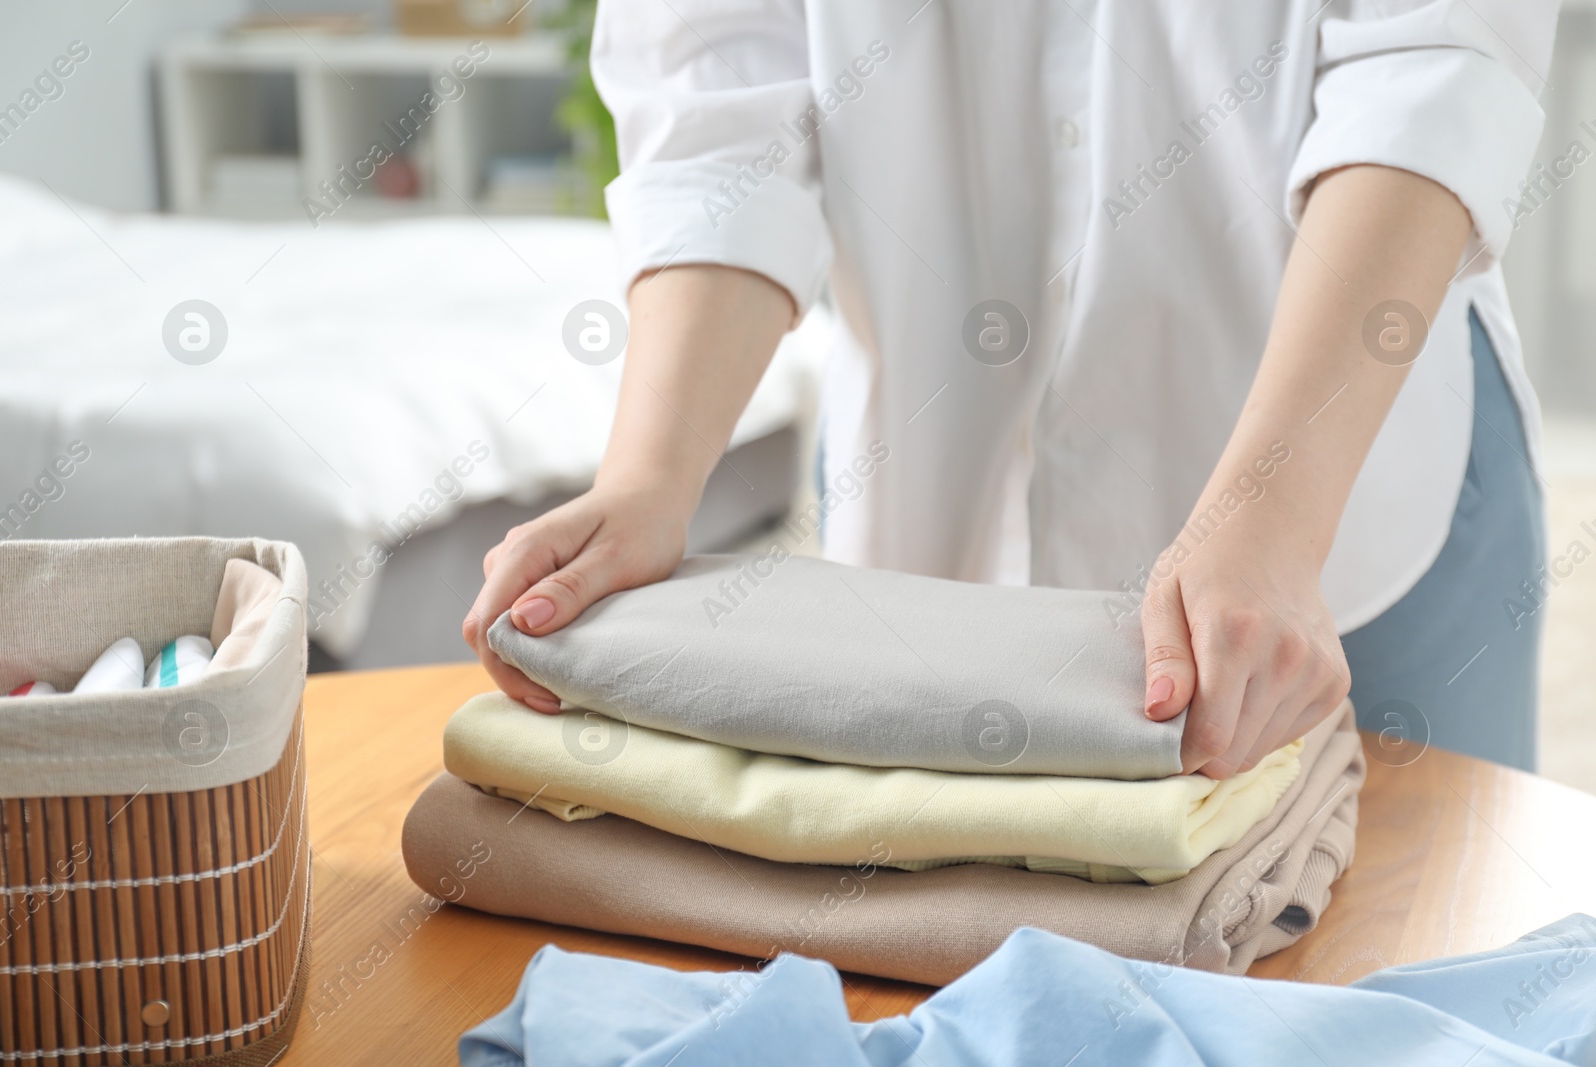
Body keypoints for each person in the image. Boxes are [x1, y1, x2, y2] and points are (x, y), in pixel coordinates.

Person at [466, 0, 1557, 775]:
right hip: (932, 515)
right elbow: (726, 100)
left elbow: (1431, 67)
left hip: (1344, 511)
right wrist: (651, 476)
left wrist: (1268, 508)